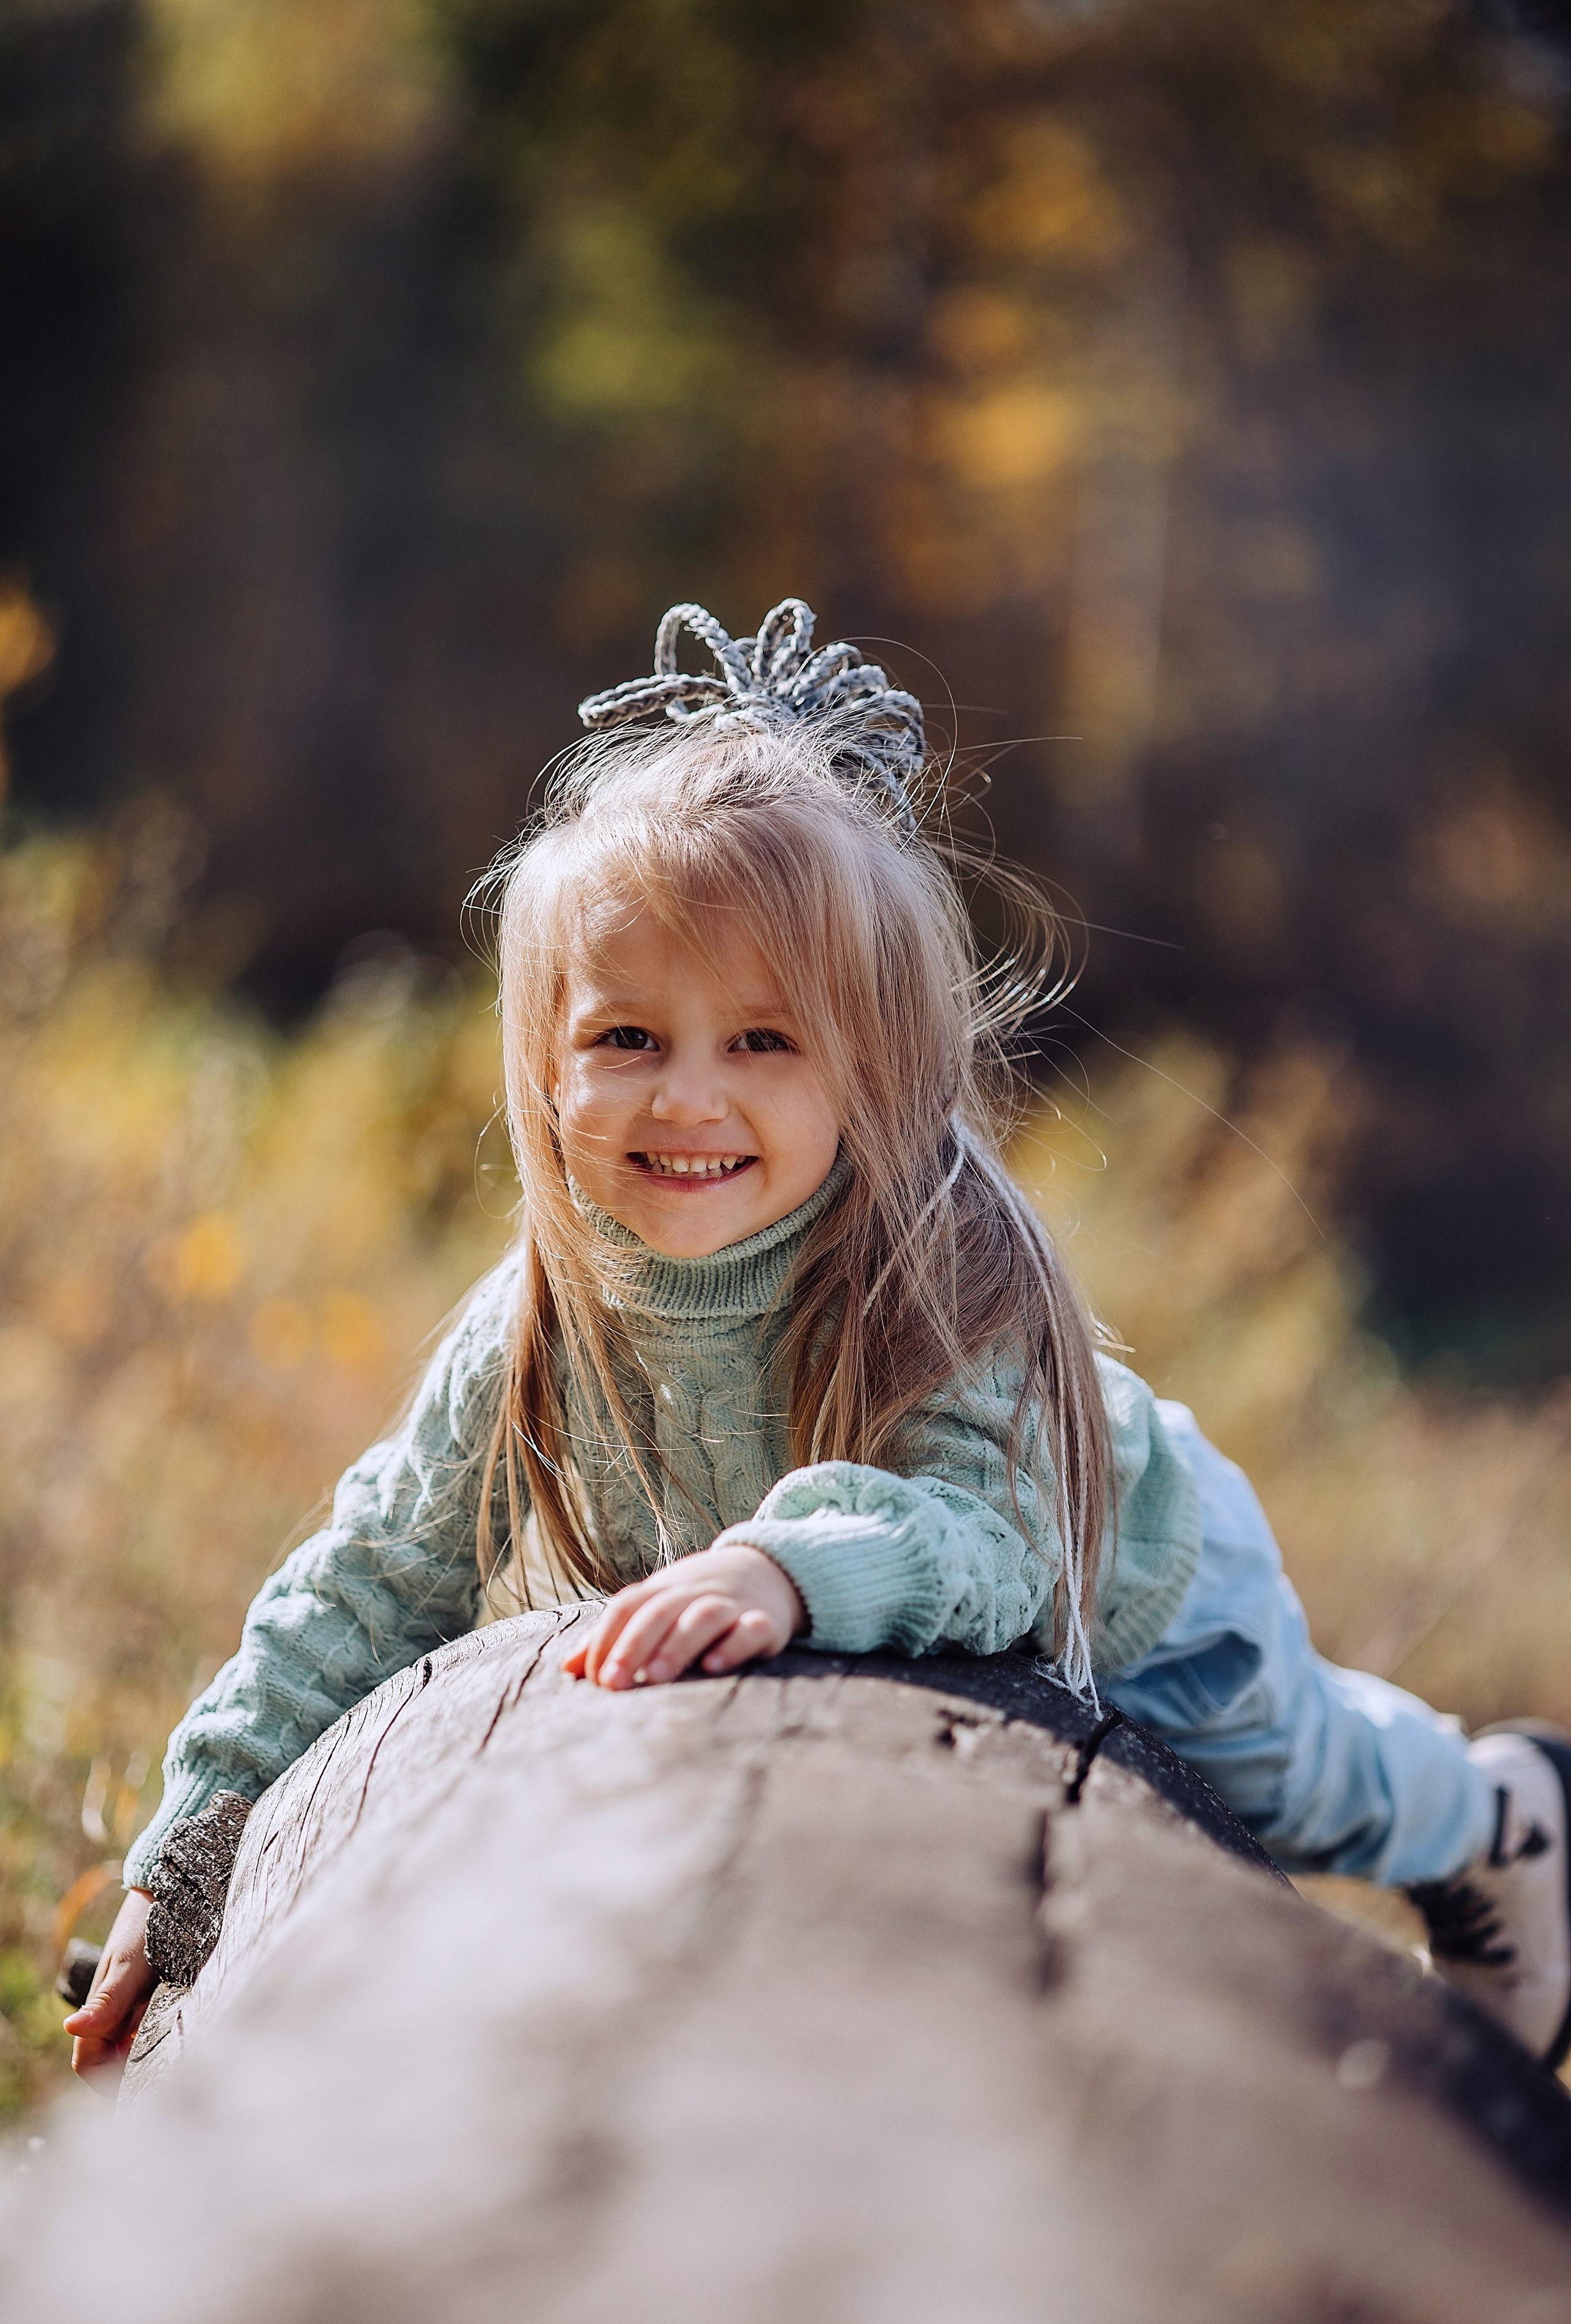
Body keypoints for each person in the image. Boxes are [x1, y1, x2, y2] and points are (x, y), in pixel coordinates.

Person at [66, 599, 1571, 2085]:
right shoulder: (537, 1310)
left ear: (875, 1067)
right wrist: (187, 1855)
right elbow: (370, 1576)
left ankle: (1499, 1814)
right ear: (540, 1061)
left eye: (764, 1042)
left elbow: (983, 1540)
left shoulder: (933, 1275)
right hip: (859, 1609)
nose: (687, 1100)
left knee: (1304, 1788)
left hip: (1142, 1589)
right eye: (626, 1039)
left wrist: (785, 1561)